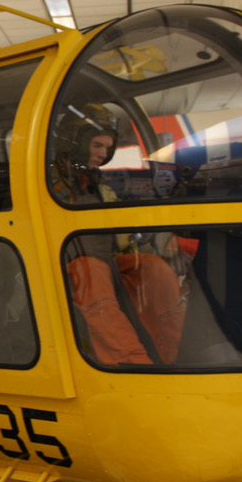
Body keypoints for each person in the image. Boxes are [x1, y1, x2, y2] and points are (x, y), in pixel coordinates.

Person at [51, 102, 188, 366]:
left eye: (107, 147)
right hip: (59, 268)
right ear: (74, 142)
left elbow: (122, 242)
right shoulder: (47, 183)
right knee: (91, 272)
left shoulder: (96, 186)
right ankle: (130, 363)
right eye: (97, 146)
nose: (104, 154)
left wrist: (155, 254)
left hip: (102, 264)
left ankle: (176, 355)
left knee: (152, 268)